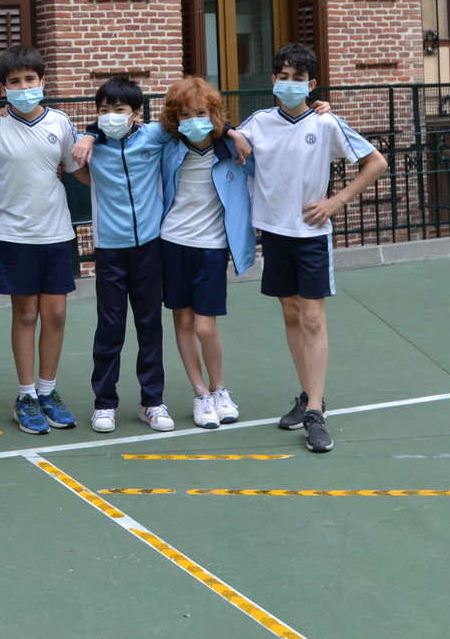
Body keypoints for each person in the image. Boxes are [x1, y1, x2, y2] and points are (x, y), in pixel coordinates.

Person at [239, 43, 387, 453]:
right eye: (283, 77)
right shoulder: (258, 122)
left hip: (311, 235)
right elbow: (224, 135)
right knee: (290, 313)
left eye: (298, 79)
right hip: (274, 233)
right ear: (273, 80)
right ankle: (306, 395)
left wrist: (336, 201)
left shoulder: (325, 122)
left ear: (311, 84)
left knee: (313, 317)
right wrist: (232, 133)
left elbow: (376, 162)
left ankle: (316, 413)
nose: (290, 84)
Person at [0, 44, 86, 435]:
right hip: (15, 235)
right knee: (26, 315)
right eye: (15, 82)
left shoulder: (61, 123)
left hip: (57, 232)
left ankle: (47, 391)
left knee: (56, 315)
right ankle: (26, 397)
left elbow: (80, 170)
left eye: (30, 79)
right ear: (3, 88)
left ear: (42, 82)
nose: (23, 87)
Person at [71, 76, 175, 435]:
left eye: (119, 109)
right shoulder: (90, 143)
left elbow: (192, 122)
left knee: (150, 325)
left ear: (136, 114)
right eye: (103, 110)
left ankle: (152, 401)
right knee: (110, 327)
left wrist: (234, 134)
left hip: (149, 246)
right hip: (110, 250)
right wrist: (90, 134)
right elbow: (76, 163)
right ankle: (104, 403)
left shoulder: (153, 136)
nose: (110, 116)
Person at [156, 78, 256, 429]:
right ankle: (200, 393)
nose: (193, 120)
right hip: (172, 243)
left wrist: (232, 132)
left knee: (205, 326)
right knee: (183, 322)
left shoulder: (232, 149)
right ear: (175, 118)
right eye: (185, 114)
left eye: (200, 112)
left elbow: (270, 153)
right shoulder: (167, 146)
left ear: (213, 114)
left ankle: (219, 389)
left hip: (212, 248)